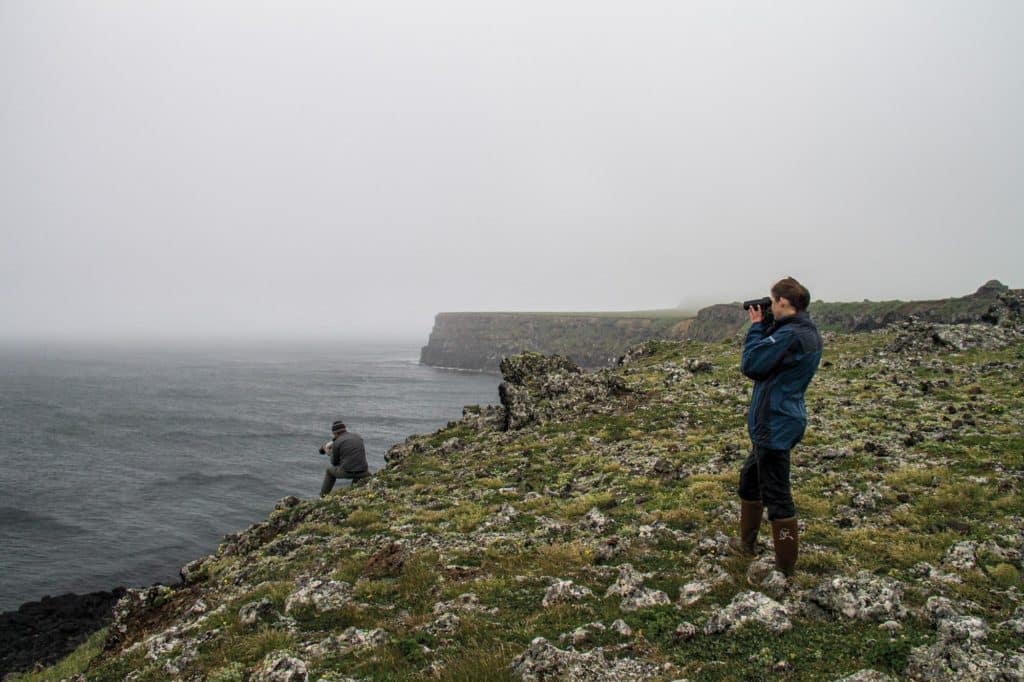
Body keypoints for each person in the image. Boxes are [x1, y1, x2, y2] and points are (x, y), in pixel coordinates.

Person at [729, 277, 822, 576]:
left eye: (772, 302)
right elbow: (774, 361)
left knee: (778, 495)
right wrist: (769, 325)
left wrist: (756, 326)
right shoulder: (802, 331)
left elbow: (752, 364)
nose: (769, 306)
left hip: (774, 423)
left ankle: (785, 570)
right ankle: (747, 544)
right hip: (779, 419)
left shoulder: (791, 336)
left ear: (782, 302)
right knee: (750, 480)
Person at [319, 420, 370, 497]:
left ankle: (323, 496)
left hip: (348, 472)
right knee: (356, 467)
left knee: (329, 471)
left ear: (335, 433)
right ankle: (354, 492)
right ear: (345, 429)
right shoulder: (358, 437)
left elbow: (334, 462)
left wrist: (328, 452)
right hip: (364, 471)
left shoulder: (337, 442)